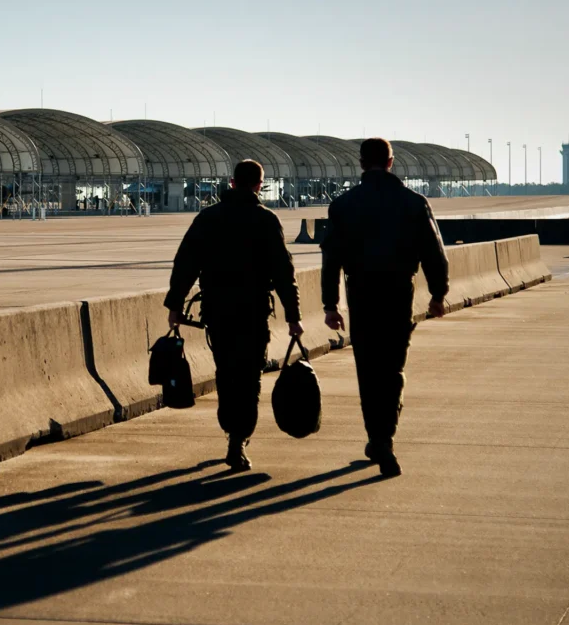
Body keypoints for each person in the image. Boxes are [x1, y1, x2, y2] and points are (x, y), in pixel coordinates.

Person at [321, 138, 449, 477]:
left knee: (368, 369)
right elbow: (434, 253)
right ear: (391, 162)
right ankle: (385, 438)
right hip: (398, 292)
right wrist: (438, 294)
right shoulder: (414, 202)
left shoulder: (343, 205)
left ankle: (376, 437)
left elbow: (331, 258)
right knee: (392, 367)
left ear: (362, 163)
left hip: (361, 292)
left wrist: (330, 304)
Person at [165, 159, 303, 471]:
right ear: (259, 185)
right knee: (249, 376)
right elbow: (284, 272)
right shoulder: (266, 220)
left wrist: (175, 305)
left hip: (218, 311)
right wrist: (294, 316)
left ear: (231, 182)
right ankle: (239, 439)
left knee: (226, 373)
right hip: (253, 312)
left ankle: (232, 431)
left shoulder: (208, 218)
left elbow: (185, 263)